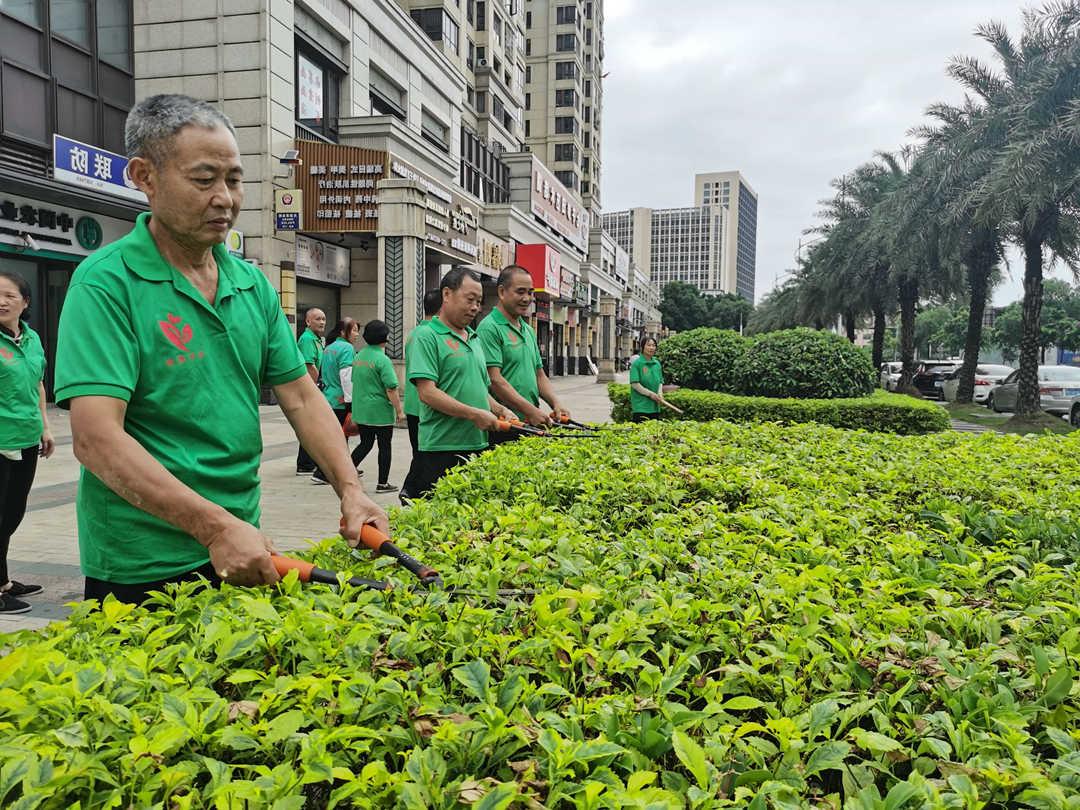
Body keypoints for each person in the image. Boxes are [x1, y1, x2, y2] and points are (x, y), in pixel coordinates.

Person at [53, 93, 388, 604]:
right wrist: (212, 527)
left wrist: (350, 488)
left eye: (233, 179)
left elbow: (300, 395)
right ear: (144, 176)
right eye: (204, 179)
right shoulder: (105, 284)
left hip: (242, 542)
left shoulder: (251, 285)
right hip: (143, 559)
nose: (225, 198)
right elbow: (96, 439)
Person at [406, 268, 508, 498]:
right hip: (442, 449)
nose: (475, 307)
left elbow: (480, 388)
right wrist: (474, 414)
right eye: (469, 299)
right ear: (446, 294)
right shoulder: (427, 336)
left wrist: (499, 408)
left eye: (479, 302)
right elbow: (427, 392)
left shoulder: (473, 337)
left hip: (477, 444)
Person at [0, 271, 55, 615]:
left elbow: (37, 385)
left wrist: (46, 428)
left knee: (11, 515)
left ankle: (3, 580)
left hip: (25, 438)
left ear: (25, 302)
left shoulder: (31, 339)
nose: (2, 302)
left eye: (9, 295)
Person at [477, 264, 570, 446]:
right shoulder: (489, 328)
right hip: (505, 424)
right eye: (520, 292)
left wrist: (555, 403)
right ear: (502, 292)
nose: (527, 298)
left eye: (530, 292)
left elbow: (539, 375)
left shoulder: (527, 329)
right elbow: (495, 379)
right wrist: (529, 410)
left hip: (530, 422)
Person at [338, 320, 404, 493]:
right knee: (385, 446)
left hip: (362, 410)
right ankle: (382, 483)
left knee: (365, 444)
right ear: (385, 337)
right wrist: (399, 410)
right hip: (380, 412)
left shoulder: (358, 357)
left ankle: (345, 475)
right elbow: (391, 388)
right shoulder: (383, 359)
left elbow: (354, 381)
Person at [309, 317, 359, 485]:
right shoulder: (346, 348)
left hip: (328, 397)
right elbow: (346, 376)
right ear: (342, 332)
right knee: (339, 439)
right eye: (353, 330)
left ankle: (339, 470)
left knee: (333, 437)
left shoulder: (329, 348)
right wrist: (350, 401)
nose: (356, 334)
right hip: (340, 400)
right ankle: (323, 473)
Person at [294, 306, 326, 475]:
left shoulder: (316, 339)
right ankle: (305, 464)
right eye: (317, 319)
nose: (322, 322)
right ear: (307, 321)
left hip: (315, 387)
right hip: (311, 388)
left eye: (323, 319)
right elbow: (309, 366)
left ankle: (309, 461)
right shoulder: (307, 339)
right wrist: (317, 388)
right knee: (310, 426)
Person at [629, 337, 664, 422]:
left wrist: (659, 393)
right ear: (642, 347)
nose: (651, 348)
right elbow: (635, 384)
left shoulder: (657, 363)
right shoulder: (637, 364)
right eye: (648, 345)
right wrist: (650, 394)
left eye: (653, 345)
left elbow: (660, 381)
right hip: (641, 407)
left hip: (655, 407)